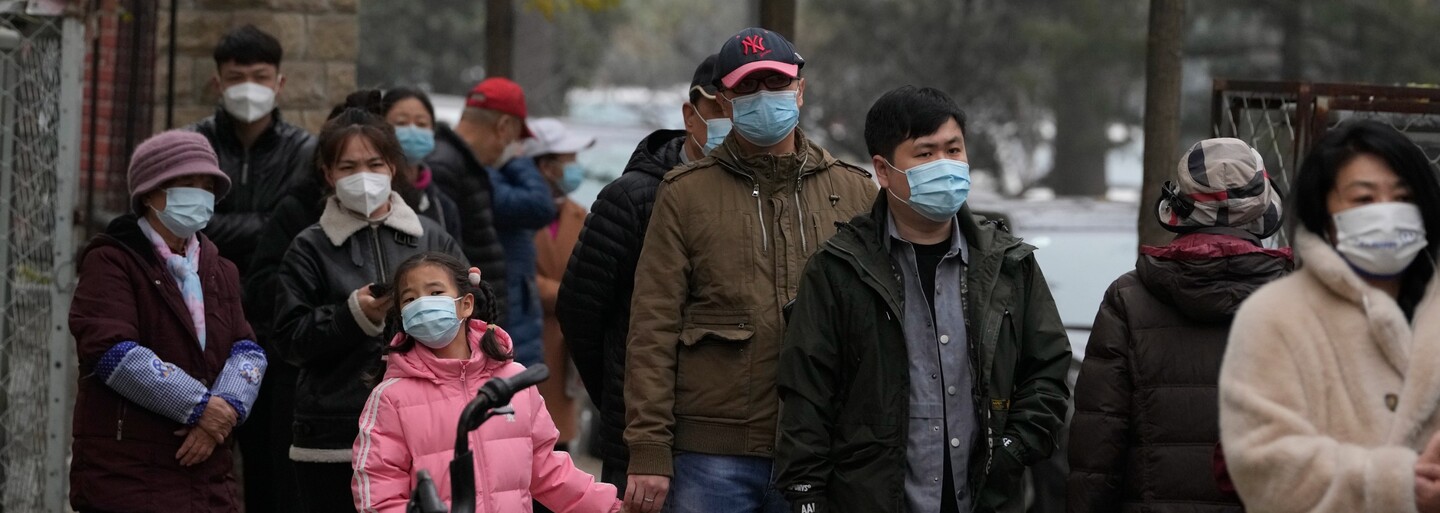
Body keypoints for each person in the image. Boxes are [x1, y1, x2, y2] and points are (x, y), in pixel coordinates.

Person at [774, 86, 1072, 513]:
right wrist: (807, 491)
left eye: (954, 149)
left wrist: (1013, 448)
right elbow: (807, 394)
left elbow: (1048, 370)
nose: (945, 165)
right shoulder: (840, 269)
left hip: (986, 498)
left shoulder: (1008, 264)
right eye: (926, 154)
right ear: (883, 169)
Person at [623, 28, 877, 513]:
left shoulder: (855, 191)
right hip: (711, 457)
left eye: (776, 83)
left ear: (800, 89)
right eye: (747, 87)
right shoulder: (684, 193)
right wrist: (649, 448)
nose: (764, 96)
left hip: (824, 448)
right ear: (725, 100)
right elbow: (653, 328)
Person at [1219, 120, 1440, 512]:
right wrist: (1392, 485)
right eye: (1363, 198)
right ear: (1325, 215)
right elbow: (1263, 463)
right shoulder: (1275, 316)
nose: (1387, 212)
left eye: (1403, 197)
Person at [1067, 138, 1291, 513]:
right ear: (1263, 209)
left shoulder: (1129, 299)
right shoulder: (1296, 302)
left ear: (1178, 205)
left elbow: (1098, 446)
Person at [272, 107, 465, 512]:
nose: (364, 175)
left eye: (374, 164)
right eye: (348, 166)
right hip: (334, 438)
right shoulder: (309, 247)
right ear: (328, 174)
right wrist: (352, 317)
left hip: (426, 435)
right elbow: (289, 340)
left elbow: (471, 320)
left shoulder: (432, 238)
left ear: (392, 167)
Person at [68, 130, 267, 512]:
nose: (199, 195)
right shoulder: (112, 261)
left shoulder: (220, 269)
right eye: (185, 183)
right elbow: (111, 352)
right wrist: (200, 408)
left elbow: (247, 349)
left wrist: (226, 407)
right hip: (127, 475)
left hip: (207, 478)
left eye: (206, 186)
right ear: (148, 193)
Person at [557, 54, 729, 493]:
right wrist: (621, 398)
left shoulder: (754, 197)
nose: (733, 120)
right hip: (642, 444)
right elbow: (580, 311)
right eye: (719, 108)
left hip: (728, 440)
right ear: (690, 115)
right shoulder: (634, 197)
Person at [351, 252, 621, 513]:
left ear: (466, 304)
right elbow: (378, 495)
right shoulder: (391, 397)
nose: (423, 304)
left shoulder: (514, 381)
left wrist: (611, 507)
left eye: (435, 292)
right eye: (410, 299)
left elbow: (548, 470)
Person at [187, 25, 316, 512]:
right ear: (217, 82)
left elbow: (295, 232)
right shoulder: (192, 144)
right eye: (236, 76)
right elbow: (182, 225)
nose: (248, 87)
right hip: (199, 320)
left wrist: (216, 224)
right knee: (196, 460)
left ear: (279, 83)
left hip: (270, 325)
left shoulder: (305, 152)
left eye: (260, 76)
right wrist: (266, 224)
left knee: (269, 469)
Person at [428, 77, 534, 324]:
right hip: (464, 321)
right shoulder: (447, 166)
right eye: (513, 138)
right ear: (504, 126)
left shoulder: (465, 166)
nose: (509, 147)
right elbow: (441, 256)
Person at [528, 117, 595, 453]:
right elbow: (517, 277)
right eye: (569, 160)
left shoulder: (580, 215)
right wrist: (569, 294)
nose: (575, 168)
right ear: (545, 166)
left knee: (558, 447)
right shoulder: (518, 214)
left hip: (566, 350)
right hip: (528, 340)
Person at [487, 142, 557, 367]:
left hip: (520, 313)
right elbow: (541, 206)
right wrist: (518, 161)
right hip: (512, 313)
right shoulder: (492, 179)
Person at [383, 87, 464, 244]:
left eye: (421, 124)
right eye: (401, 123)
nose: (412, 130)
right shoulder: (373, 198)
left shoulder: (443, 206)